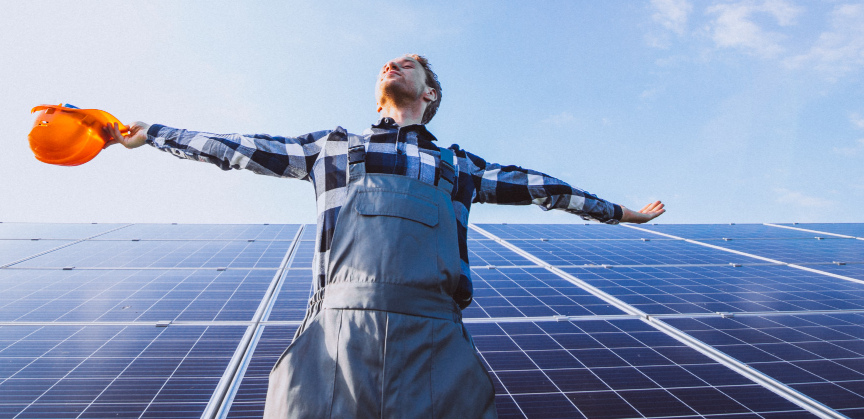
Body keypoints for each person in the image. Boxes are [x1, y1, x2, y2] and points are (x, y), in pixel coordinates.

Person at [107, 54, 665, 418]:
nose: (393, 64)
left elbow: (546, 188)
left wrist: (621, 213)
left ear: (430, 94)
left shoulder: (460, 166)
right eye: (387, 65)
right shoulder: (330, 148)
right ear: (379, 98)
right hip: (331, 340)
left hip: (436, 344)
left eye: (410, 64)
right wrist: (152, 133)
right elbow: (239, 148)